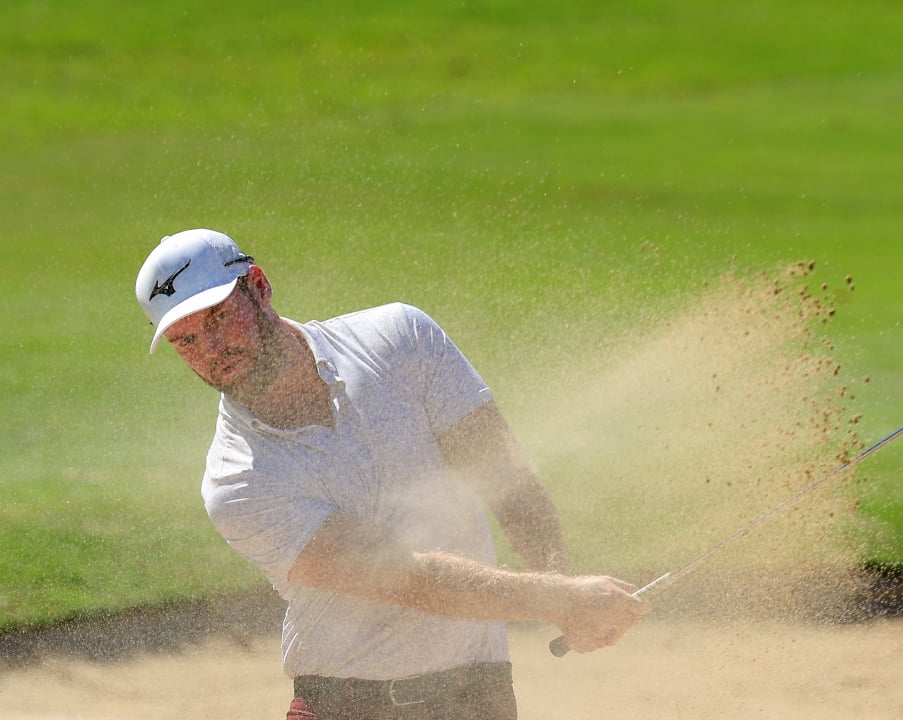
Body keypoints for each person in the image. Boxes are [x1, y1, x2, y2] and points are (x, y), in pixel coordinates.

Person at [135, 229, 649, 719]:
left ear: (260, 288)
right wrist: (560, 598)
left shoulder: (401, 338)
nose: (210, 348)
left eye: (220, 316)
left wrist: (563, 587)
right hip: (346, 709)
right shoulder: (236, 483)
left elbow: (506, 480)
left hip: (481, 699)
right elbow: (404, 575)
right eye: (185, 340)